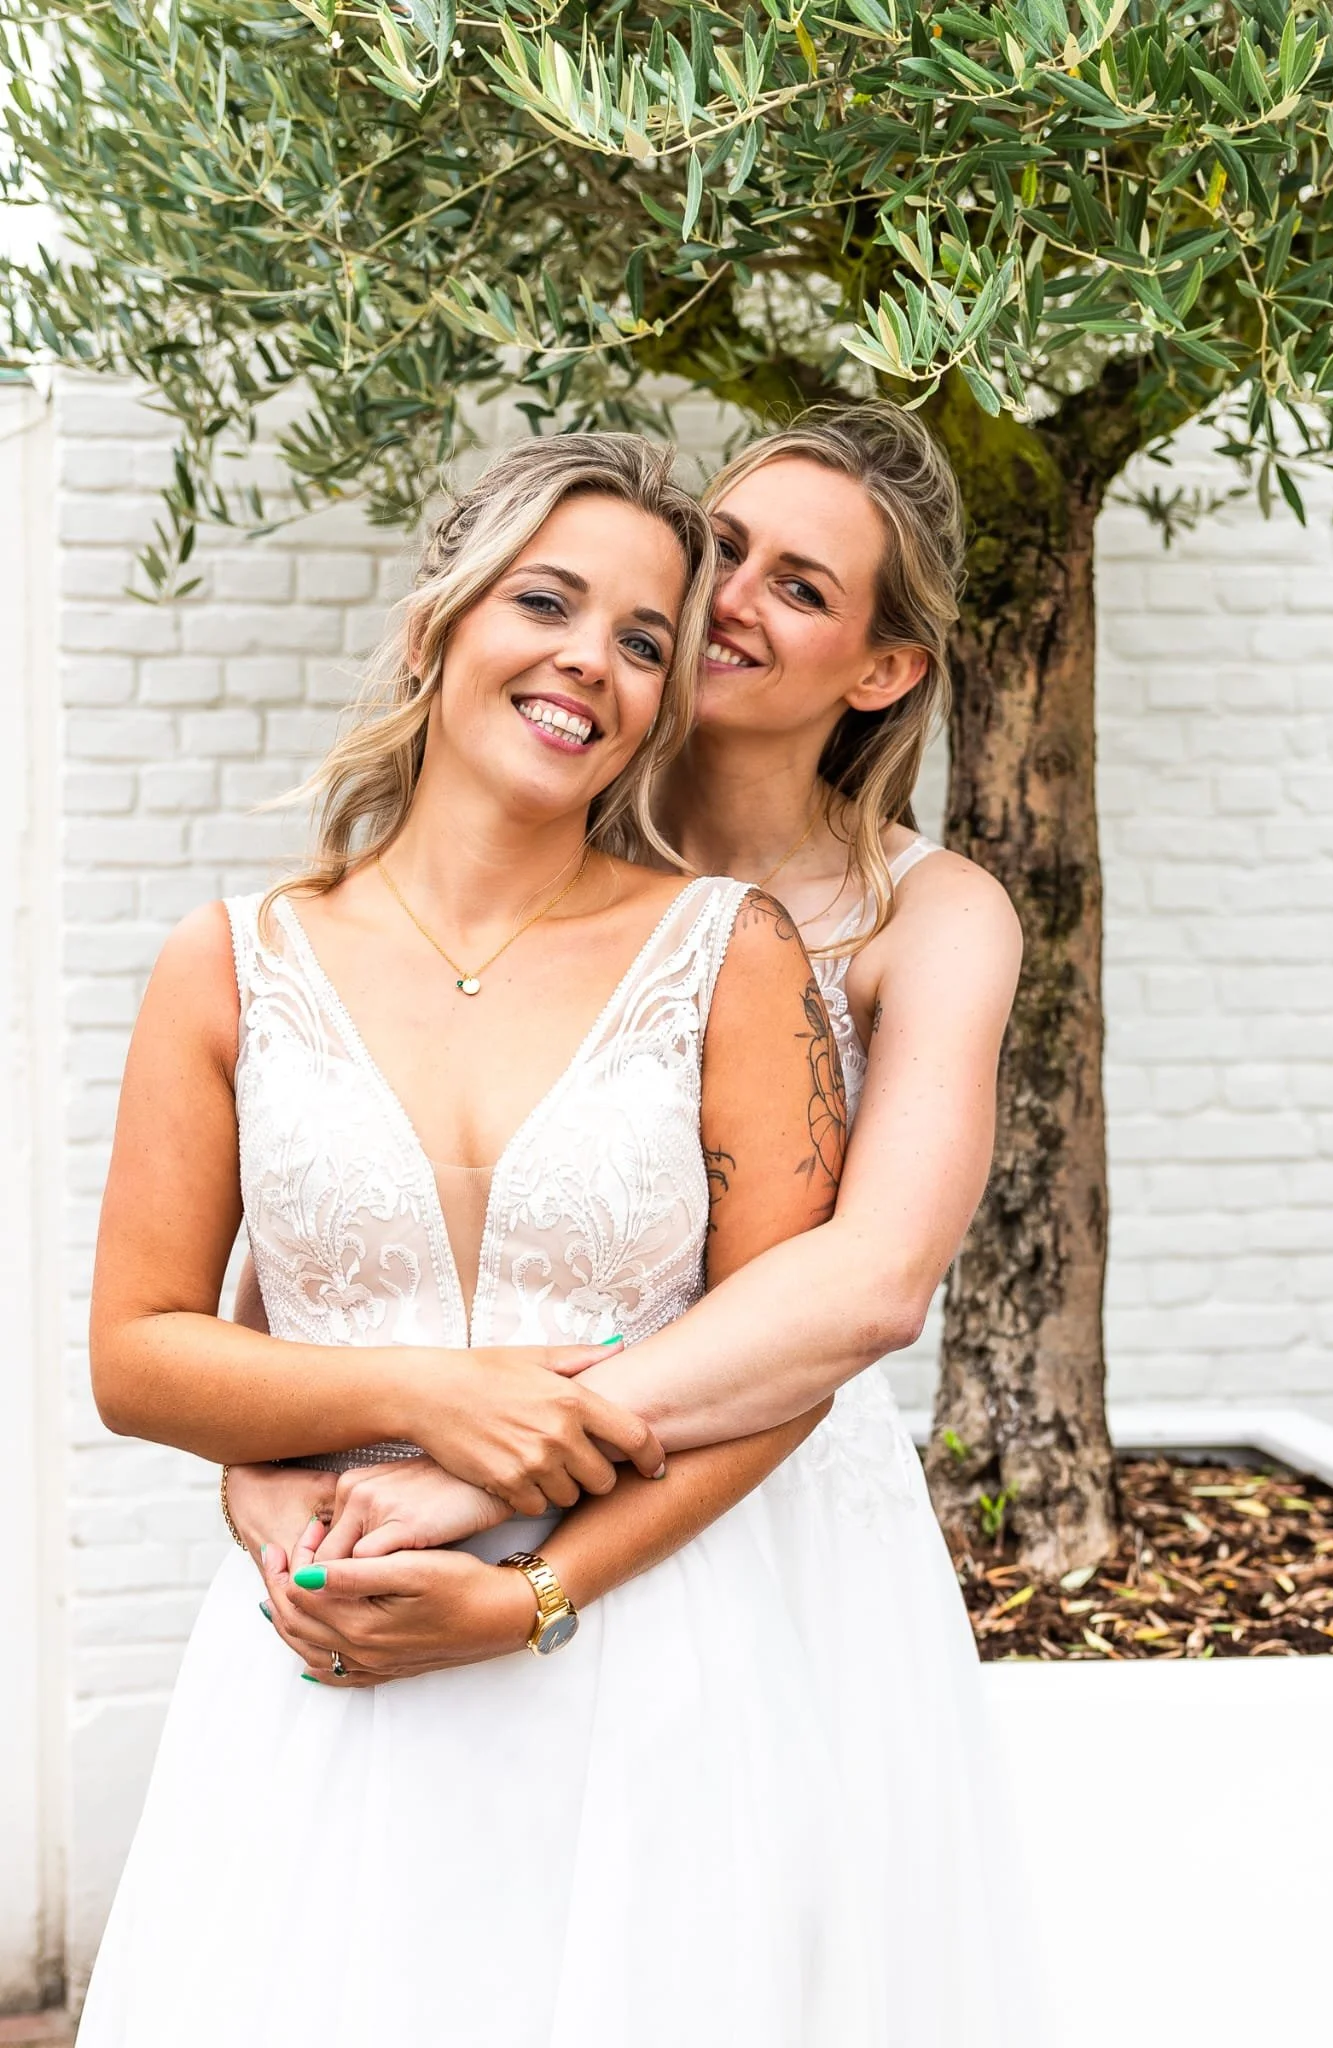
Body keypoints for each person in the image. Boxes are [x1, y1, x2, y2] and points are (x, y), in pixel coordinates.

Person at [83, 413, 1041, 2045]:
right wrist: (268, 1465)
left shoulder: (896, 921)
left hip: (742, 1506)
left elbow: (862, 1287)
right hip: (392, 1557)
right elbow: (274, 1286)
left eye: (792, 587)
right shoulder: (536, 839)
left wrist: (482, 1470)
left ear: (881, 672)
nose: (723, 601)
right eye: (719, 551)